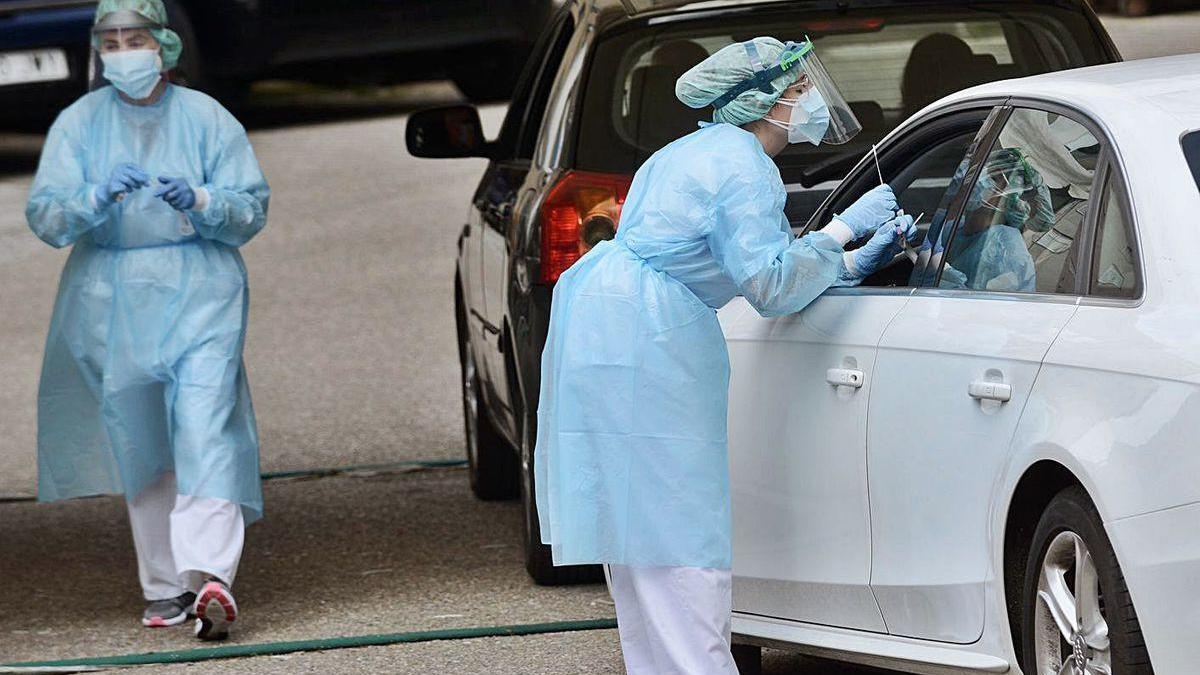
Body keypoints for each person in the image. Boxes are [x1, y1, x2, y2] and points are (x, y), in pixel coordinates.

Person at [534, 37, 915, 674]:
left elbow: (739, 261)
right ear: (767, 102)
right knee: (680, 521)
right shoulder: (744, 166)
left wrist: (842, 264)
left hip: (610, 323)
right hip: (647, 340)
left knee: (640, 525)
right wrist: (843, 231)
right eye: (800, 88)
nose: (813, 99)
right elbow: (769, 285)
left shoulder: (692, 151)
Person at [25, 0, 269, 641]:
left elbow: (250, 208)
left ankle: (209, 574)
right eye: (109, 40)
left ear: (164, 44)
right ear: (96, 50)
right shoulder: (77, 125)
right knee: (142, 444)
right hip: (110, 298)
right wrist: (94, 196)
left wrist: (203, 198)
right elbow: (47, 216)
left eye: (134, 37)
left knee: (206, 424)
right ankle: (164, 590)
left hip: (202, 290)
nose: (122, 50)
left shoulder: (207, 119)